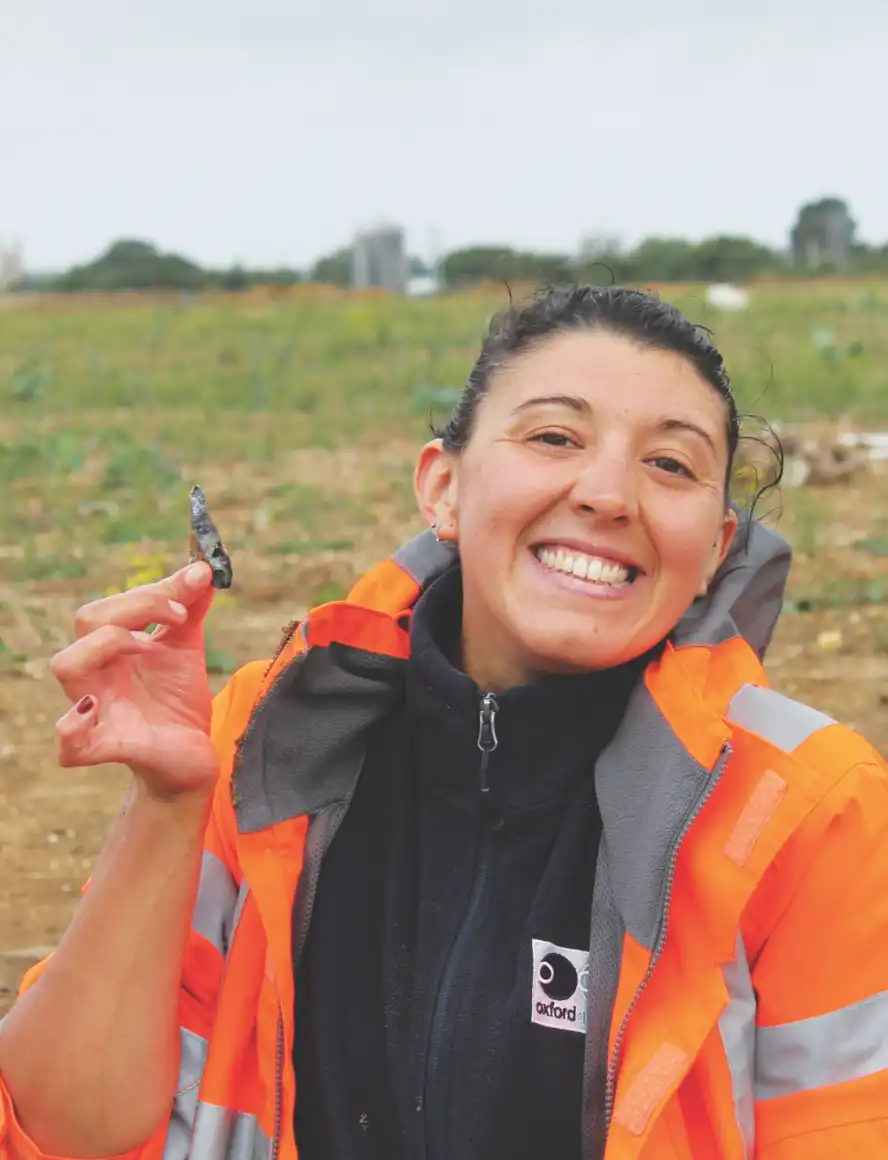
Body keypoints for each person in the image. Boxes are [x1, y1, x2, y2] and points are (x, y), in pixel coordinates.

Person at [1, 284, 886, 1160]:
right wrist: (165, 802)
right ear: (444, 489)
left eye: (671, 464)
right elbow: (68, 1131)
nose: (610, 494)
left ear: (717, 552)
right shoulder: (266, 747)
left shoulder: (805, 810)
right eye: (553, 437)